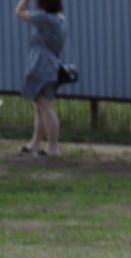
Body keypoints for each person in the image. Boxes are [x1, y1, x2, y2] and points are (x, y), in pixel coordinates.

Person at [14, 0, 65, 158]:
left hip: (41, 65)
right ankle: (35, 144)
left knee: (46, 107)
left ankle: (53, 147)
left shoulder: (45, 18)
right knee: (40, 106)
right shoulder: (59, 18)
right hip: (51, 64)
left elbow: (19, 12)